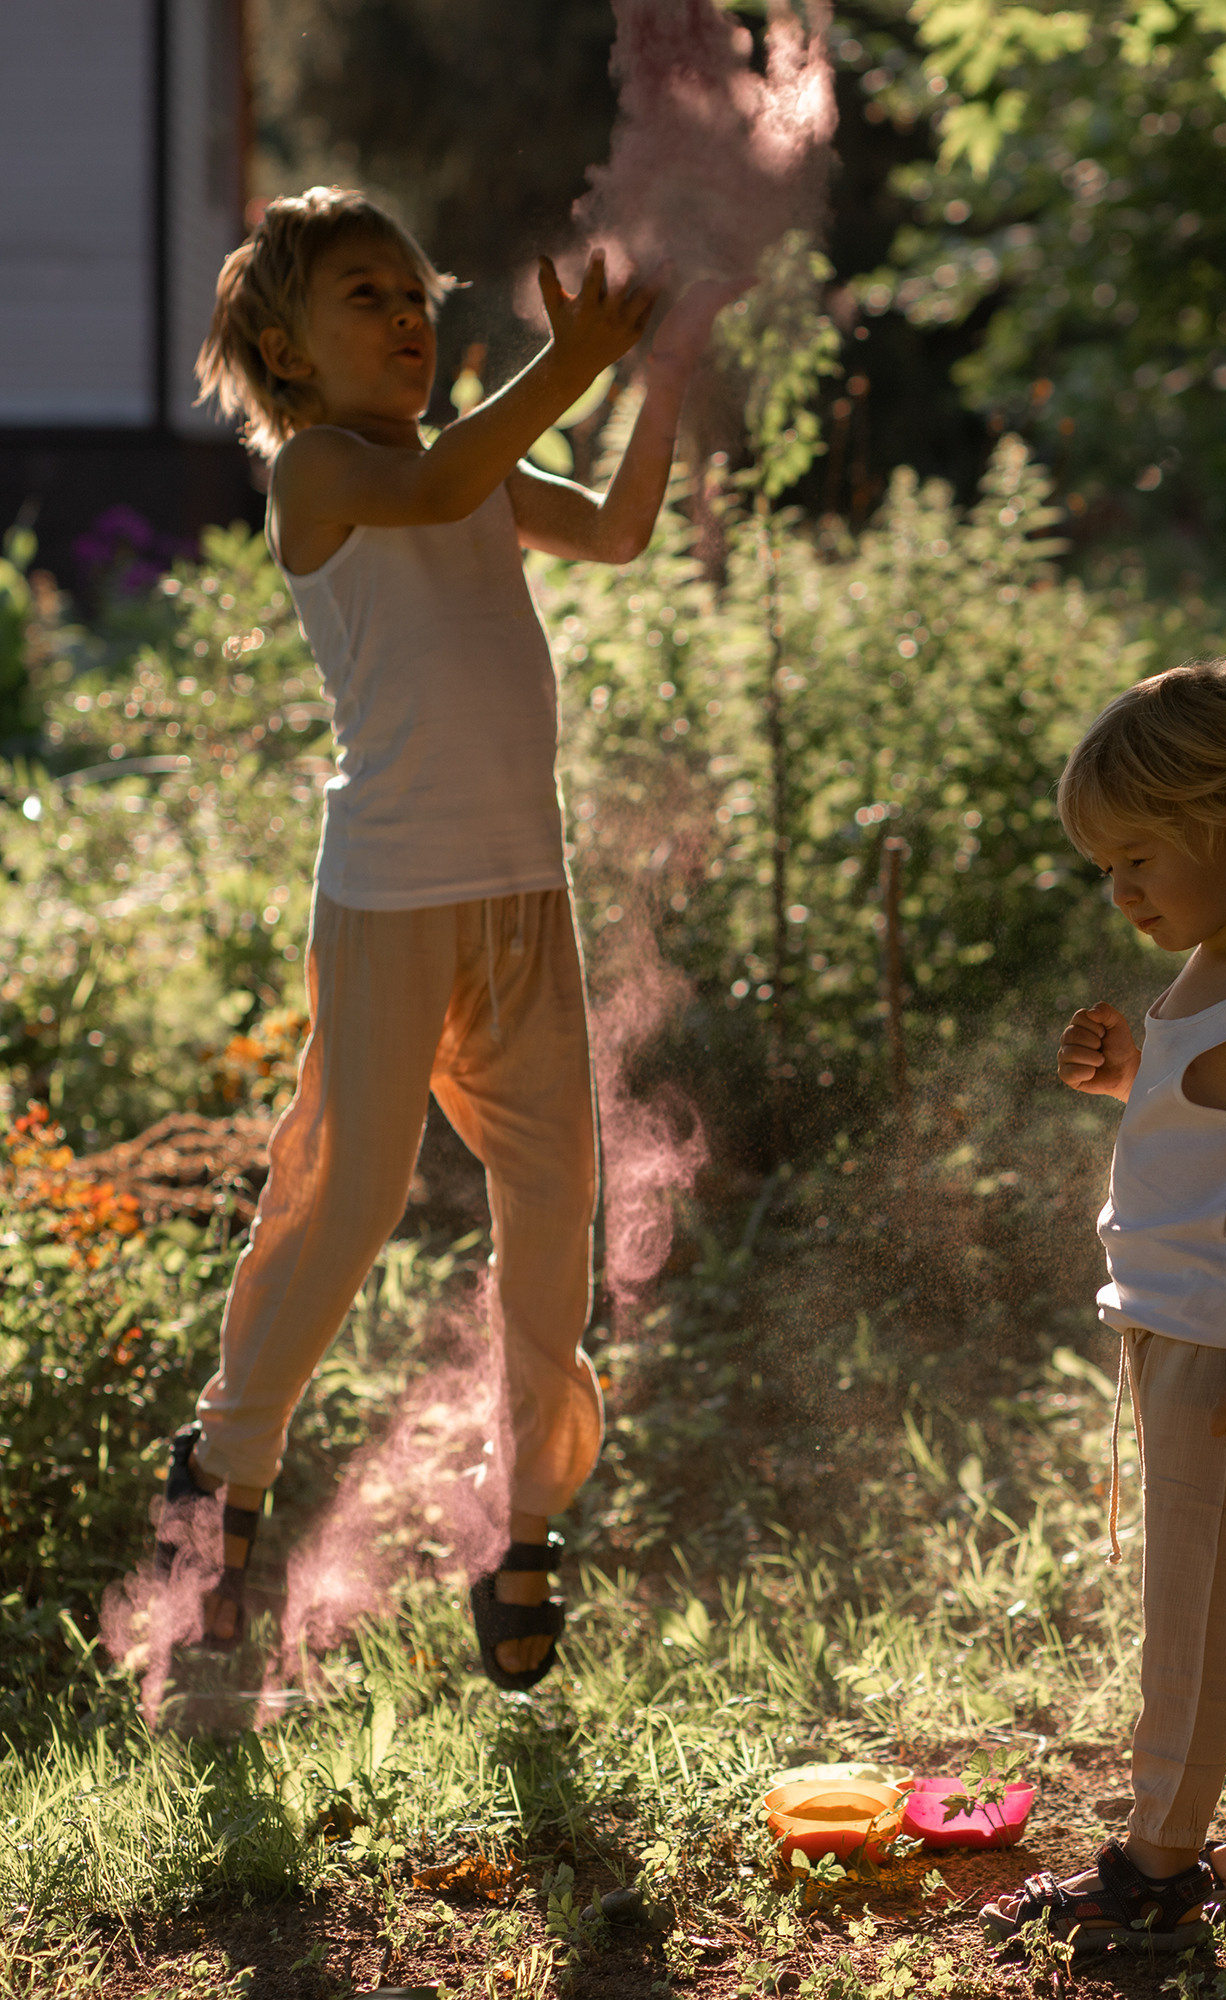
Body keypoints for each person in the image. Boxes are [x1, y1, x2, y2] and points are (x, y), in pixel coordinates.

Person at [153, 185, 740, 1690]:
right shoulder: (322, 479)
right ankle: (221, 1479)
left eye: (417, 294)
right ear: (284, 351)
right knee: (344, 1197)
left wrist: (654, 379)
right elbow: (434, 491)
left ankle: (527, 1519)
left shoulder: (468, 459)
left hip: (518, 896)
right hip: (390, 902)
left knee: (555, 1199)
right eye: (367, 297)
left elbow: (608, 530)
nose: (410, 319)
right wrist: (579, 362)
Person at [983, 659, 1226, 1953]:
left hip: (1225, 1351)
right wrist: (1137, 1074)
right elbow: (1223, 1134)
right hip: (1181, 1340)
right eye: (1109, 867)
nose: (1121, 890)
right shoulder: (1215, 980)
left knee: (1191, 1605)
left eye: (1139, 858)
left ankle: (1155, 1859)